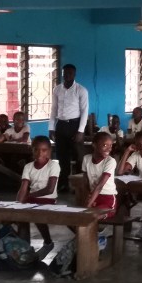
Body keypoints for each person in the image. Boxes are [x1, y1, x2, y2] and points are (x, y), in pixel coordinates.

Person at [49, 64, 89, 192]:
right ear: (62, 74)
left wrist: (80, 131)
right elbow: (53, 109)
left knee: (78, 157)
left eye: (70, 73)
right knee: (62, 157)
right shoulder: (57, 90)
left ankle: (79, 186)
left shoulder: (81, 90)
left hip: (75, 126)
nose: (67, 75)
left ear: (74, 75)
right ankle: (64, 184)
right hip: (61, 125)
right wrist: (51, 128)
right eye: (65, 73)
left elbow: (84, 111)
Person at [16, 136, 59, 250]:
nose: (40, 153)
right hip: (32, 200)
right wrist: (17, 204)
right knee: (21, 216)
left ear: (49, 151)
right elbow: (23, 187)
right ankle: (24, 247)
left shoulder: (53, 165)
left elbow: (50, 189)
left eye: (44, 150)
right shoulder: (28, 167)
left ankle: (48, 242)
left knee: (36, 214)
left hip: (48, 200)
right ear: (32, 150)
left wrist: (29, 196)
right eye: (36, 150)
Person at [82, 132, 118, 219]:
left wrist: (88, 205)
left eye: (111, 146)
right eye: (105, 145)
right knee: (77, 217)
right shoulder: (86, 159)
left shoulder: (110, 161)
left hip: (108, 199)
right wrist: (88, 197)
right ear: (94, 145)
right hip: (94, 197)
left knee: (90, 216)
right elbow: (85, 182)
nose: (109, 149)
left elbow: (100, 186)